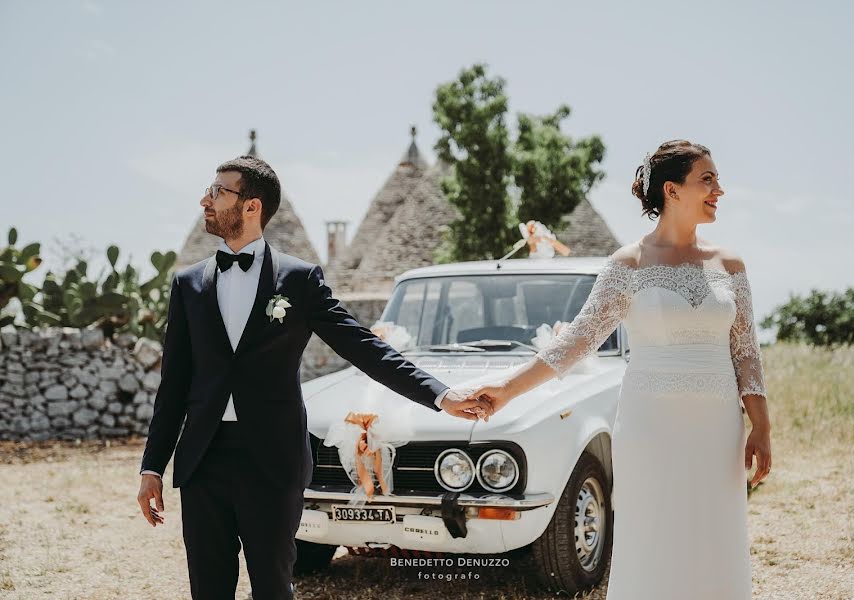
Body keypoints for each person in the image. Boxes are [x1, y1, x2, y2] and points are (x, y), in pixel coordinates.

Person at [136, 155, 492, 600]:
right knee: (208, 589)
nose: (205, 199)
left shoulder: (299, 280)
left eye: (218, 191)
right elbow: (174, 385)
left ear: (252, 207)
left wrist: (440, 395)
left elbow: (364, 347)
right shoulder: (187, 284)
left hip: (271, 460)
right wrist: (152, 465)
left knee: (272, 586)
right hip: (203, 461)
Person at [464, 140, 772, 599]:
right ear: (672, 190)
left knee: (714, 532)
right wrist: (507, 389)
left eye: (717, 180)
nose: (719, 190)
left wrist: (762, 426)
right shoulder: (627, 265)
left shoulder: (730, 265)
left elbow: (746, 352)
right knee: (654, 535)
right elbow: (578, 341)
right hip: (652, 426)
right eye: (707, 180)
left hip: (717, 428)